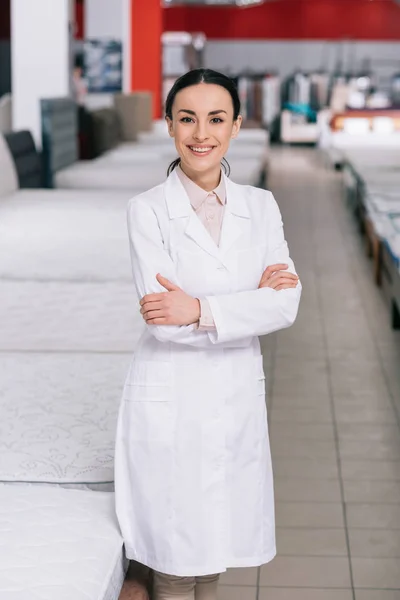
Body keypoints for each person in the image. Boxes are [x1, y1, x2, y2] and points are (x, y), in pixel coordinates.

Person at [115, 68, 302, 600]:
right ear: (170, 126)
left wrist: (197, 307)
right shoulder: (148, 210)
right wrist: (246, 305)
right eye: (187, 118)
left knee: (216, 550)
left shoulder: (260, 207)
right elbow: (164, 324)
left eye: (216, 119)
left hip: (235, 390)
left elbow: (285, 304)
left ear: (236, 125)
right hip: (172, 391)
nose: (202, 133)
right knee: (176, 561)